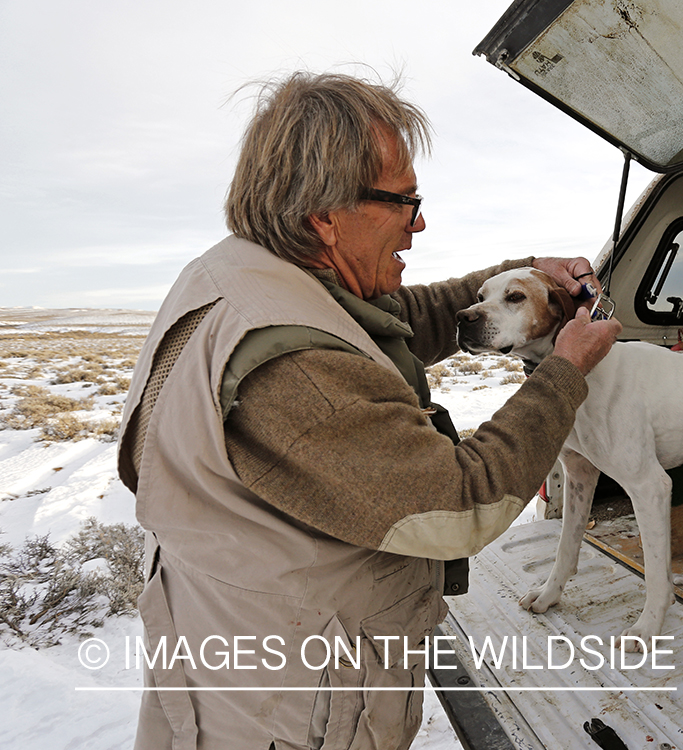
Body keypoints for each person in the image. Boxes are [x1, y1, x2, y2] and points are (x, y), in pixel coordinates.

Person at [117, 71, 621, 750]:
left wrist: (522, 270)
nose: (419, 223)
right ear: (324, 215)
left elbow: (395, 319)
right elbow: (457, 506)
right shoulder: (297, 370)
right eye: (404, 201)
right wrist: (563, 371)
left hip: (255, 657)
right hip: (293, 712)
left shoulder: (250, 274)